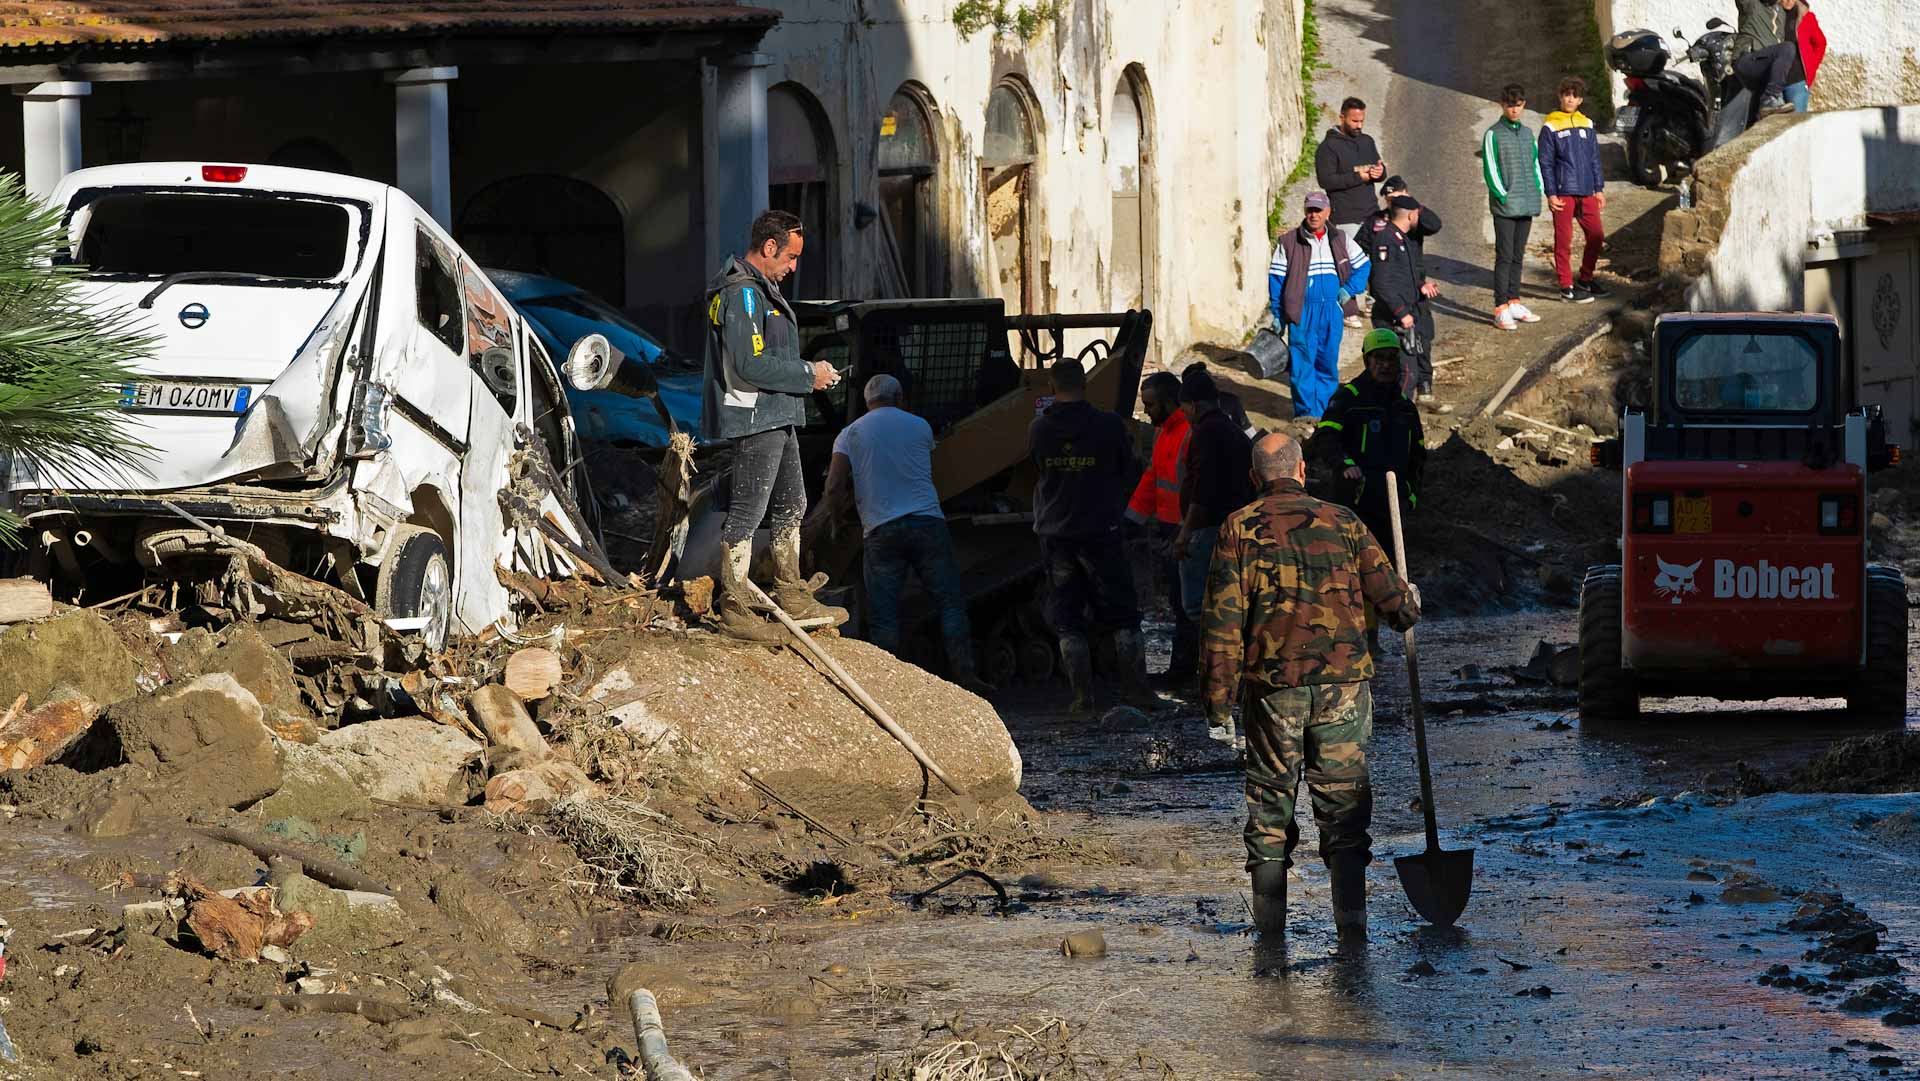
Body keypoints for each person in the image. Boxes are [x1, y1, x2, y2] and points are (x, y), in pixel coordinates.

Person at [1201, 431, 1421, 942]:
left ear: (1256, 478)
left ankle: (1271, 939)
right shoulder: (1345, 521)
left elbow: (1221, 626)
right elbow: (1398, 608)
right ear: (1302, 471)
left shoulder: (1238, 528)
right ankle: (1352, 932)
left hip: (1273, 691)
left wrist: (1217, 706)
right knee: (1344, 811)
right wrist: (1411, 602)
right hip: (1343, 689)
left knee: (1271, 809)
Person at [703, 209, 843, 641]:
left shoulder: (758, 291)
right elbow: (749, 363)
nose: (794, 267)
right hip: (755, 416)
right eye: (791, 257)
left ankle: (791, 593)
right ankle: (735, 607)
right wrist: (808, 375)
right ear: (769, 248)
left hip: (777, 415)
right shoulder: (742, 293)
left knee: (793, 504)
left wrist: (807, 376)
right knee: (748, 511)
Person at [824, 374, 993, 696]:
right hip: (927, 523)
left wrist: (834, 521)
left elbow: (833, 487)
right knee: (950, 604)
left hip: (881, 531)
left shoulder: (850, 434)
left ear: (866, 402)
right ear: (900, 397)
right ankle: (965, 676)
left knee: (884, 616)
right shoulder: (919, 426)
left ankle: (889, 690)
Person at [1029, 357, 1157, 714]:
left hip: (1056, 534)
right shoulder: (1109, 425)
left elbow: (1037, 466)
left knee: (1067, 618)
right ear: (1085, 385)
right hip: (1102, 529)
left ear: (1052, 389)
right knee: (1123, 612)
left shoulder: (1039, 429)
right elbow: (1126, 467)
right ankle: (1138, 690)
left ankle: (1082, 697)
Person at [1314, 329, 1427, 654]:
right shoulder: (1348, 398)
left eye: (1392, 359)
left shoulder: (1405, 407)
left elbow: (1418, 455)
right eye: (1380, 359)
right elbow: (1326, 437)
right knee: (1358, 571)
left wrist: (1413, 493)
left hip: (1392, 504)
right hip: (1356, 502)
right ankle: (1364, 639)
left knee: (1387, 570)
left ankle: (1384, 630)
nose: (1387, 366)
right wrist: (1345, 463)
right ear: (1367, 361)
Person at [1268, 191, 1370, 421]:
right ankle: (1306, 416)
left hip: (1331, 311)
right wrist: (1277, 314)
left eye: (1318, 210)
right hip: (1302, 312)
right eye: (1310, 210)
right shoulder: (1289, 242)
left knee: (1327, 364)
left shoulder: (1340, 239)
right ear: (1304, 211)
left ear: (1328, 212)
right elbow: (1276, 279)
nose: (1314, 215)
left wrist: (1349, 290)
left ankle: (1324, 415)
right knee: (1302, 366)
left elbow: (1364, 265)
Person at [1125, 371, 1197, 689]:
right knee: (1178, 602)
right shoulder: (1164, 433)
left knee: (1187, 605)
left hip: (1188, 531)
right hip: (1172, 528)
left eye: (1151, 405)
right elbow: (1153, 480)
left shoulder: (1188, 434)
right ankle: (1183, 669)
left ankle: (1186, 671)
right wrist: (1132, 519)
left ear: (1170, 402)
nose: (1147, 412)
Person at [1174, 364, 1254, 635]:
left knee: (1200, 608)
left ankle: (1215, 667)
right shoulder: (1231, 430)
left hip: (1207, 530)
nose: (1182, 414)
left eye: (1183, 407)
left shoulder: (1206, 433)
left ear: (1194, 406)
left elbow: (1203, 489)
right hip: (1231, 528)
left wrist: (1185, 533)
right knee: (1226, 602)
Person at [1365, 178, 1442, 400]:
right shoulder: (1386, 237)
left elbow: (1405, 273)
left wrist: (1420, 286)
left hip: (1411, 304)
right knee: (1402, 371)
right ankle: (1395, 414)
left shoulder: (1405, 237)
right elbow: (1382, 281)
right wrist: (1401, 312)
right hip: (1395, 314)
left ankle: (1409, 402)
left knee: (1419, 350)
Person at [1538, 77, 1612, 306]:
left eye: (1574, 95)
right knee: (1564, 241)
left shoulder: (1587, 124)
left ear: (1580, 100)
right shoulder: (1550, 126)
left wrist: (1598, 188)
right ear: (1560, 96)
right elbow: (1545, 162)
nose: (1570, 99)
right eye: (1566, 94)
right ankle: (1566, 287)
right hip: (1563, 192)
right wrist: (1551, 193)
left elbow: (1594, 159)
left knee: (1597, 236)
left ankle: (1586, 279)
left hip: (1588, 191)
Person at [1314, 97, 1386, 328]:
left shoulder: (1367, 141)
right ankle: (1347, 309)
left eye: (1362, 121)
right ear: (1342, 117)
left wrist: (1379, 172)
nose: (1359, 126)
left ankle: (1371, 302)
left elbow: (1379, 168)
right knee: (1349, 264)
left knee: (1375, 260)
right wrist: (1359, 177)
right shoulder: (1327, 148)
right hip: (1345, 214)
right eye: (1354, 121)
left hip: (1371, 211)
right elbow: (1326, 180)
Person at [1482, 84, 1547, 331]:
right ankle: (1500, 307)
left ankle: (1514, 300)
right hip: (1506, 205)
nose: (1514, 109)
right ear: (1502, 104)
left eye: (1518, 104)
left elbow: (1535, 163)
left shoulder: (1529, 133)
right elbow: (1491, 169)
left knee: (1518, 256)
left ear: (1524, 105)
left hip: (1527, 202)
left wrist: (1538, 189)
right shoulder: (1493, 134)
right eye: (1510, 104)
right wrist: (1502, 194)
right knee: (1505, 256)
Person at [1733, 0, 1801, 118]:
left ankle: (1765, 108)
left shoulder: (1781, 12)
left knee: (1757, 120)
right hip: (1748, 60)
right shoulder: (1751, 4)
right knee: (1787, 48)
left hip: (1765, 68)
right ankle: (1771, 96)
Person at [1781, 0, 1826, 112]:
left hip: (1797, 82)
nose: (1788, 1)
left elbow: (1820, 43)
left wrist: (1811, 67)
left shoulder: (1806, 17)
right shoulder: (1771, 14)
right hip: (1773, 83)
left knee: (1796, 124)